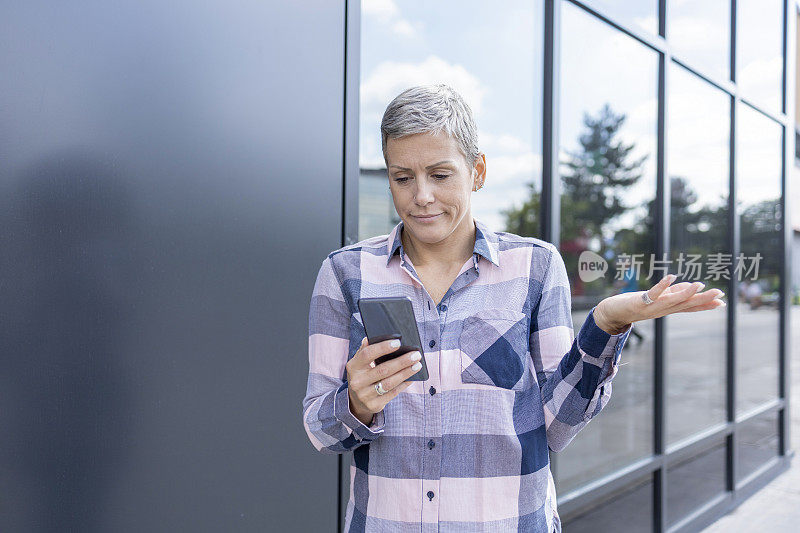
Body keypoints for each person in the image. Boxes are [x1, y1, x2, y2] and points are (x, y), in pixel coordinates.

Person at [300, 84, 727, 533]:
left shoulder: (535, 267)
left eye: (440, 175)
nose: (420, 196)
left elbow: (559, 424)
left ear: (477, 171)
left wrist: (605, 324)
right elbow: (320, 428)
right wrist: (356, 402)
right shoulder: (346, 273)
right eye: (402, 177)